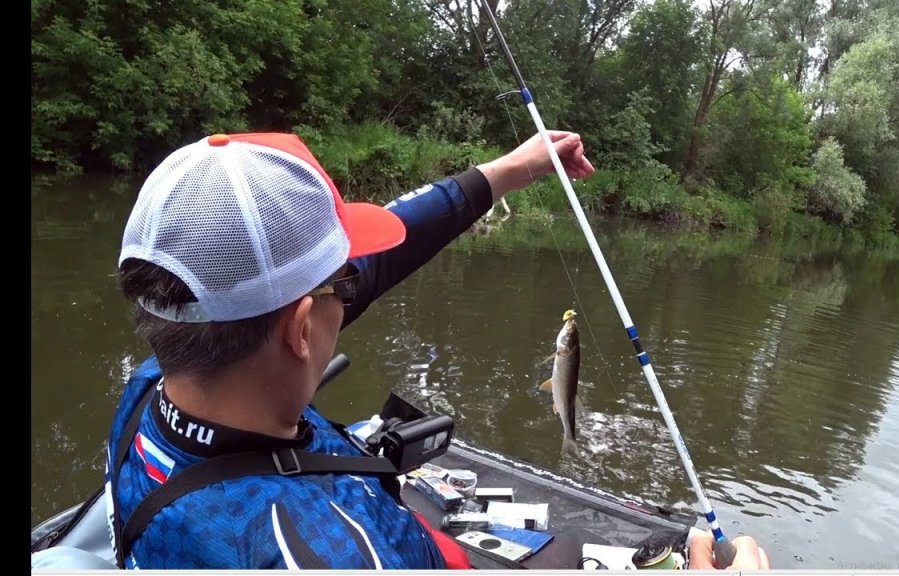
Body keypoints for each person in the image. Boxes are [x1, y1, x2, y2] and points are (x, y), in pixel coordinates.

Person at [103, 129, 768, 570]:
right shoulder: (326, 552)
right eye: (345, 280)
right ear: (301, 329)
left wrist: (510, 171)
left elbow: (383, 260)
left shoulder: (156, 384)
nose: (359, 284)